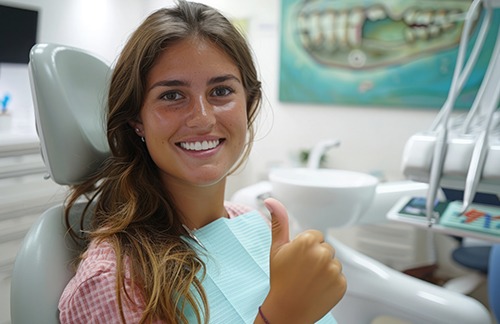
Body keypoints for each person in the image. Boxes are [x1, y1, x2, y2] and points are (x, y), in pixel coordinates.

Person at [58, 1, 347, 323]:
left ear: (248, 106)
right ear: (137, 119)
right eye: (172, 96)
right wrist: (280, 316)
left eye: (221, 91)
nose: (202, 118)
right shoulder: (113, 282)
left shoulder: (252, 224)